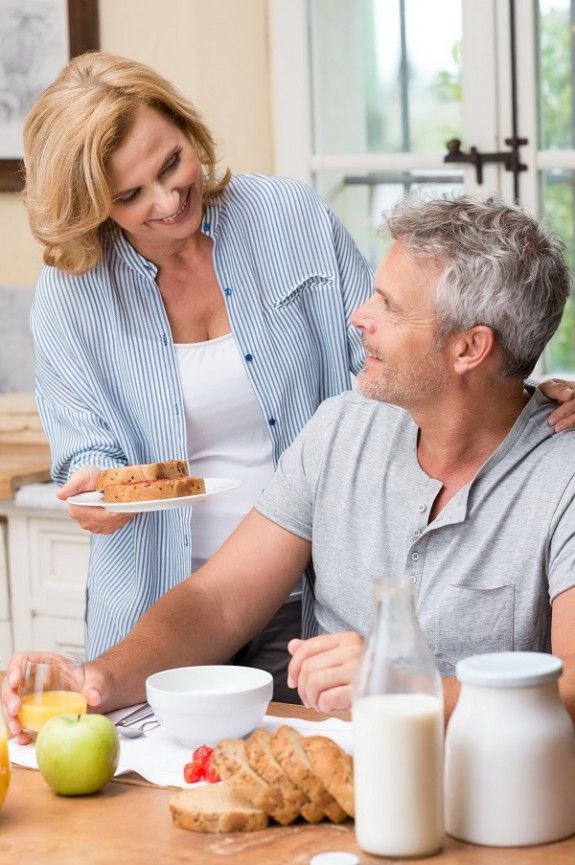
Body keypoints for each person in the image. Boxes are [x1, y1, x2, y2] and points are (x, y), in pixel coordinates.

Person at [6, 193, 575, 736]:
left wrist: (401, 687)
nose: (358, 316)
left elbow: (572, 687)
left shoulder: (562, 476)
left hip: (489, 791)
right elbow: (217, 602)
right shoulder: (339, 430)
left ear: (470, 348)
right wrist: (97, 678)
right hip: (328, 783)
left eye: (390, 306)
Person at [22, 51, 375, 699]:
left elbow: (392, 351)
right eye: (130, 195)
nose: (167, 200)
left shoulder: (287, 216)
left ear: (186, 127)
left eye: (171, 164)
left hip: (307, 599)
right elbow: (86, 447)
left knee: (307, 762)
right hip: (158, 610)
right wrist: (98, 486)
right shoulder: (71, 294)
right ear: (92, 205)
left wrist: (516, 395)